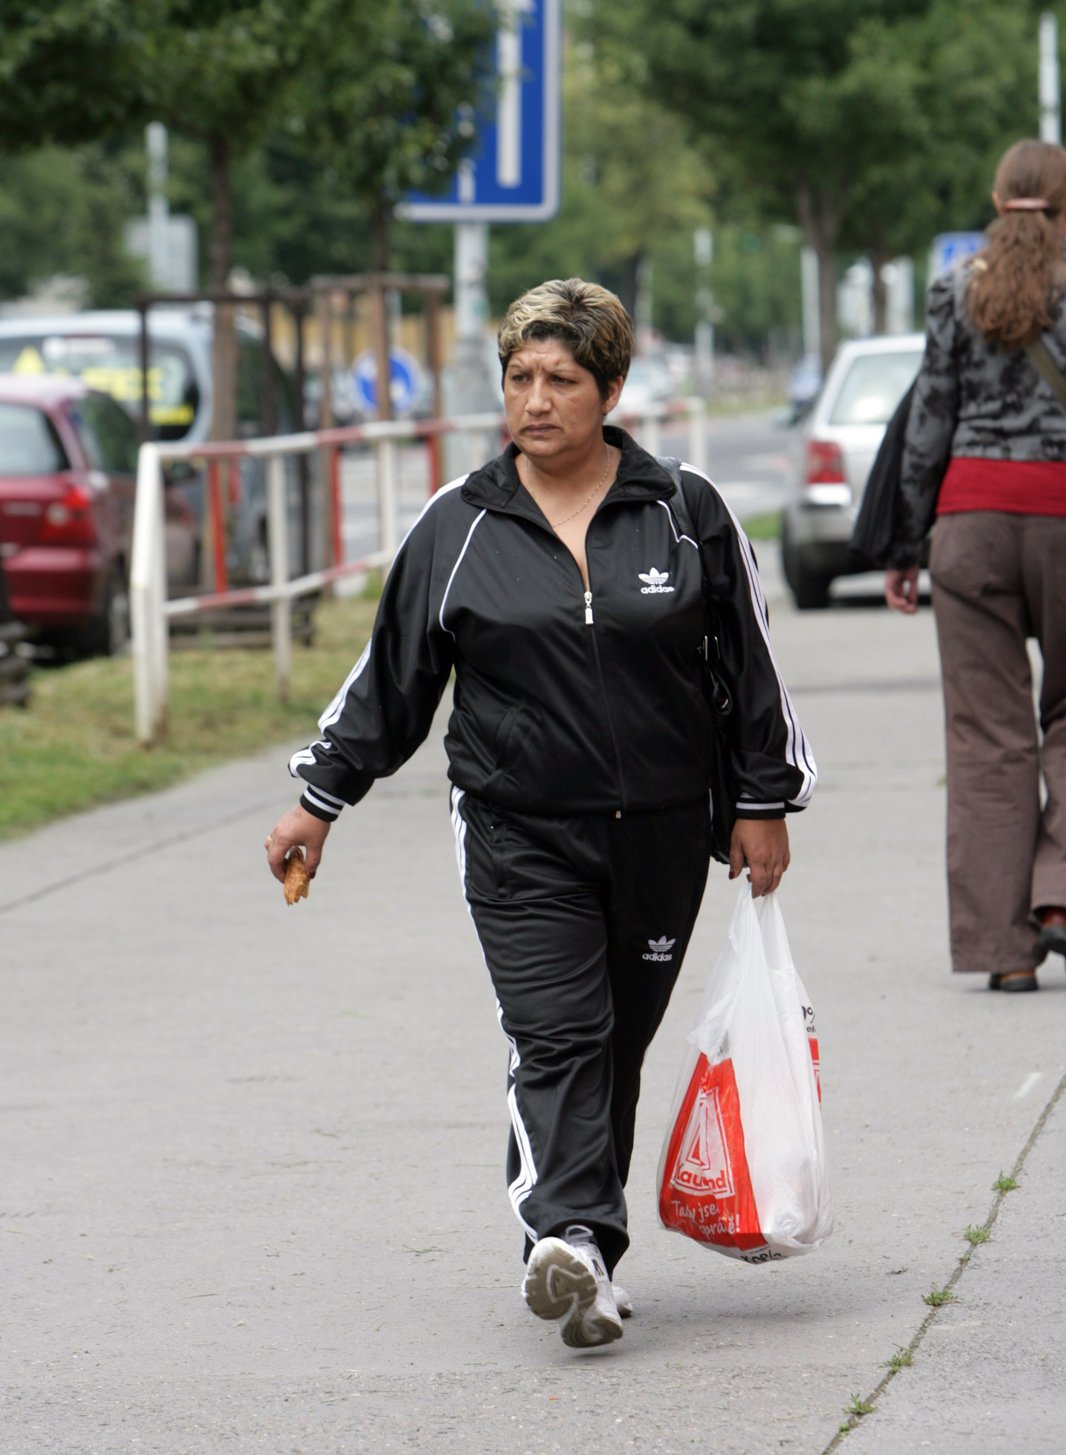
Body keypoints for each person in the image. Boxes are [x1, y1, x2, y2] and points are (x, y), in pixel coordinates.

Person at [265, 278, 816, 1348]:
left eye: (561, 379)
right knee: (557, 1034)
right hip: (517, 829)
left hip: (661, 826)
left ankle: (586, 1263)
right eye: (518, 378)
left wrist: (762, 801)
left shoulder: (684, 508)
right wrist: (317, 799)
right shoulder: (460, 524)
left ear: (609, 388)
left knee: (618, 1041)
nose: (535, 399)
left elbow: (749, 667)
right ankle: (563, 1229)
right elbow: (390, 681)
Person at [886, 139, 1066, 994]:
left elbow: (930, 415)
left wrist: (905, 542)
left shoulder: (956, 288)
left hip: (970, 523)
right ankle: (1061, 896)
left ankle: (1006, 951)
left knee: (988, 736)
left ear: (997, 199)